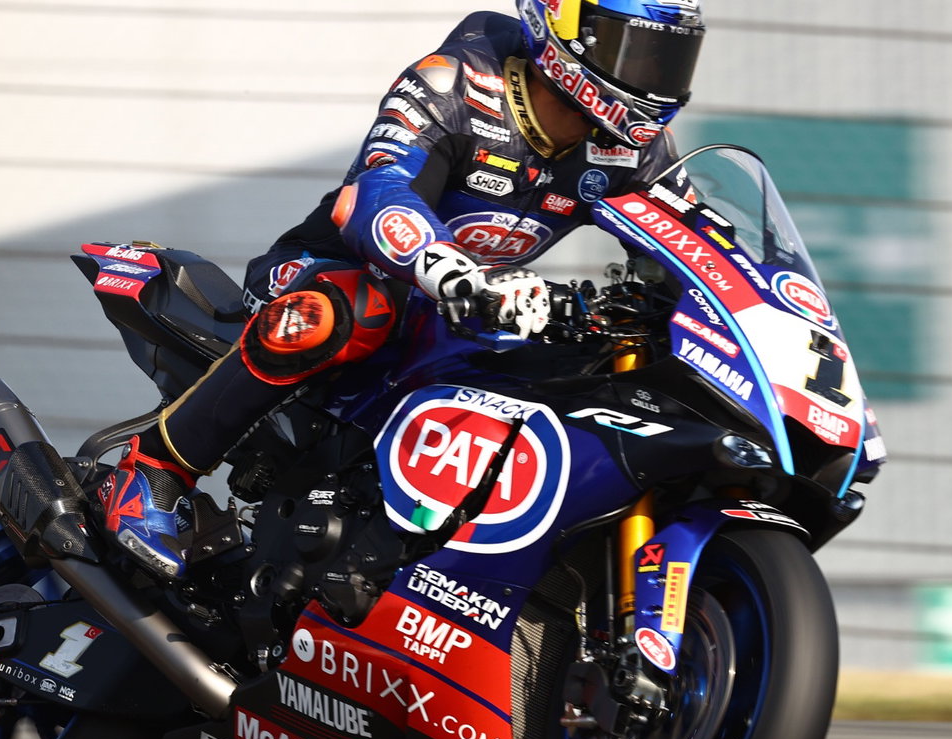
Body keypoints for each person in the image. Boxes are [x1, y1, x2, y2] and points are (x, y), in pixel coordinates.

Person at [100, 0, 706, 579]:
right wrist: (453, 271)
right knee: (354, 309)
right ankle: (152, 470)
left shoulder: (635, 147)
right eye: (641, 54)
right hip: (331, 270)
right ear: (566, 29)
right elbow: (377, 192)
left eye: (668, 61)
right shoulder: (455, 82)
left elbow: (693, 242)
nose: (653, 79)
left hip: (465, 316)